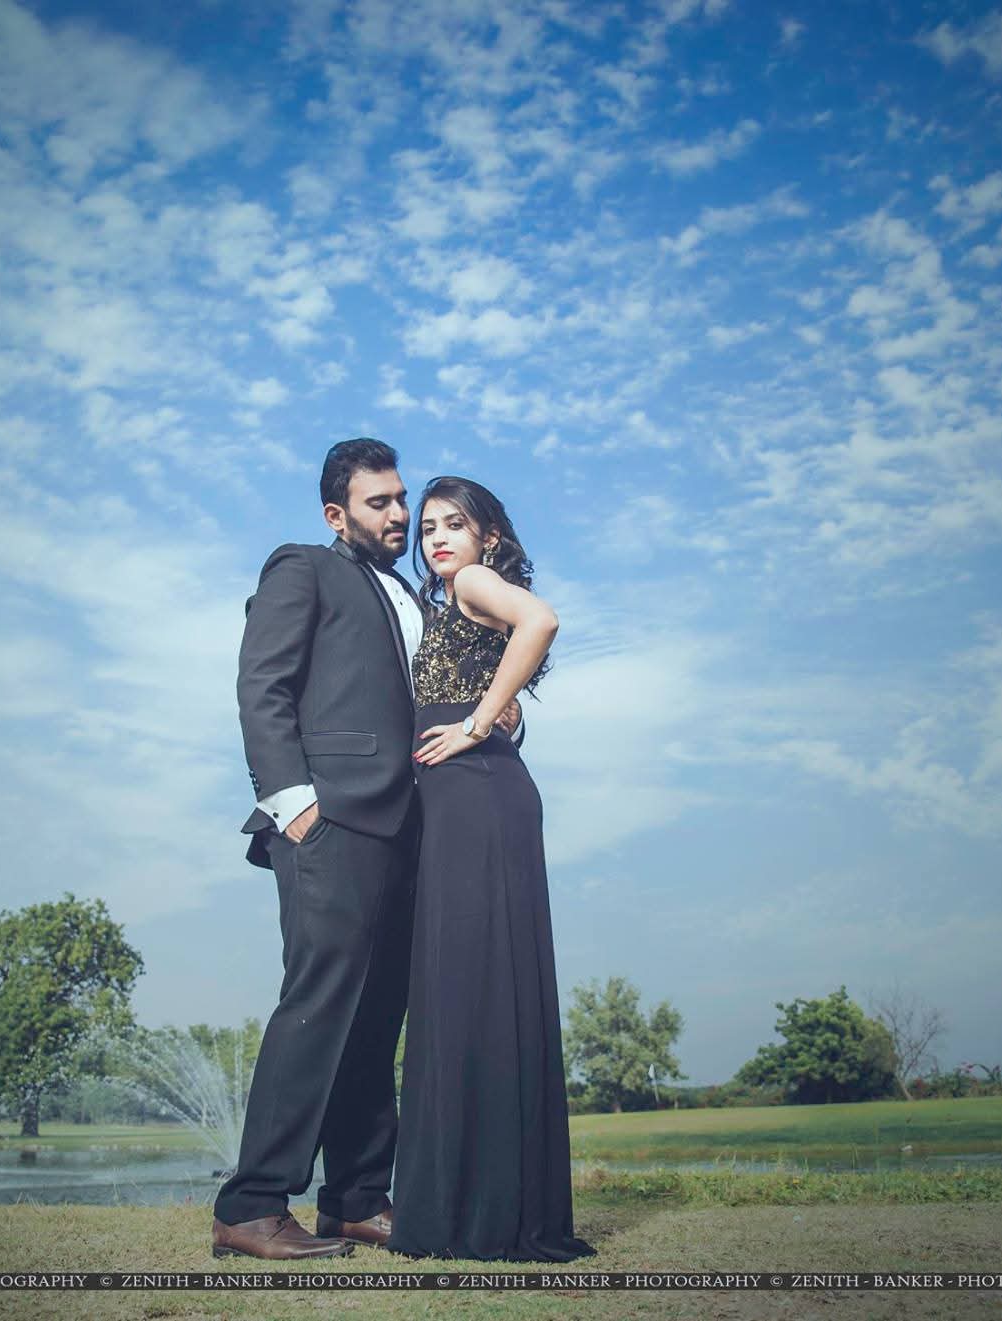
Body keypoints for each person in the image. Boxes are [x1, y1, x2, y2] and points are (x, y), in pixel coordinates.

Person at [215, 440, 518, 1260]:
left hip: (409, 830)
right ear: (335, 512)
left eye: (400, 499)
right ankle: (251, 1204)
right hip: (330, 821)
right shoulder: (304, 567)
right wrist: (294, 804)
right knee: (317, 1007)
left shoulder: (417, 594)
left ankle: (353, 1198)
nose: (397, 515)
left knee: (375, 1018)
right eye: (379, 502)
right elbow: (262, 685)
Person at [386, 476, 594, 1263]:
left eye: (455, 524)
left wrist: (476, 723)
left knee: (474, 986)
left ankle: (479, 1213)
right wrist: (491, 712)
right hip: (468, 802)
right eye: (429, 526)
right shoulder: (448, 603)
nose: (437, 537)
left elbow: (540, 620)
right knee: (468, 988)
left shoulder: (472, 583)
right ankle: (480, 1209)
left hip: (479, 799)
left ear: (487, 539)